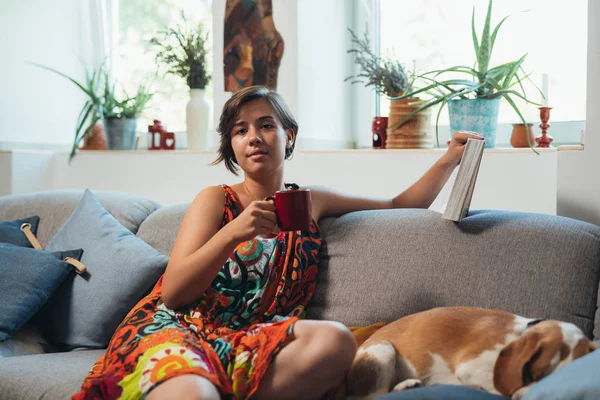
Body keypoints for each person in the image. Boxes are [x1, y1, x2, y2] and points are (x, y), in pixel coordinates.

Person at [73, 85, 483, 400]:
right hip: (181, 330)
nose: (254, 136)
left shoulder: (310, 202)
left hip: (251, 342)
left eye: (266, 125)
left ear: (289, 136)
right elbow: (175, 293)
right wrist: (235, 232)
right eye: (241, 130)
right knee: (192, 393)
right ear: (231, 146)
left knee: (335, 340)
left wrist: (447, 159)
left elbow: (399, 204)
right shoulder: (216, 199)